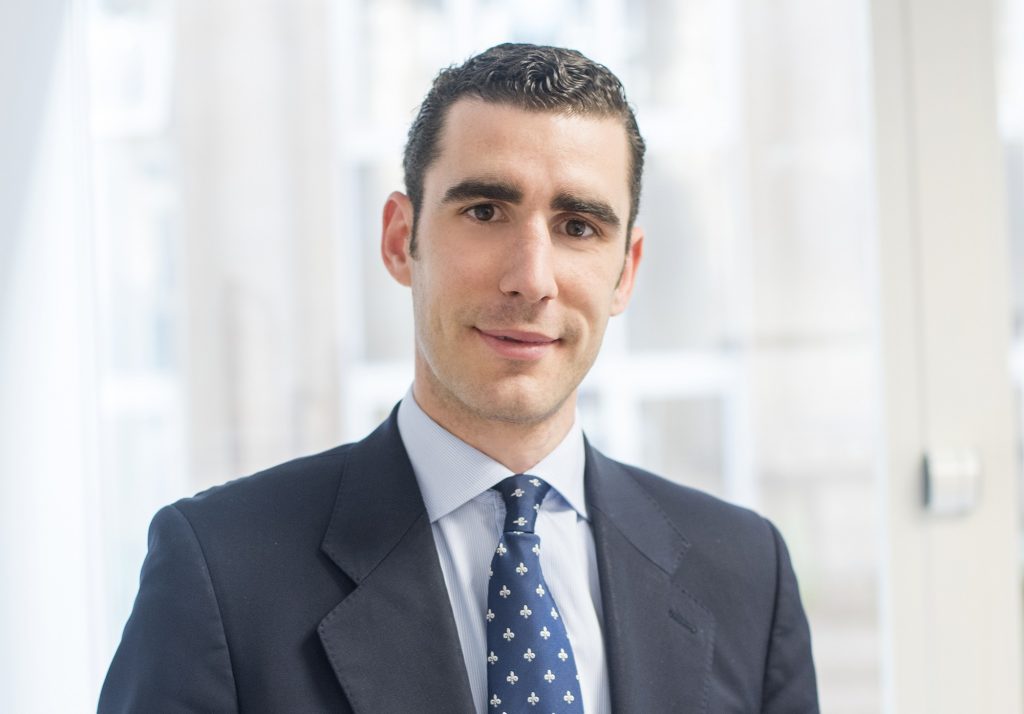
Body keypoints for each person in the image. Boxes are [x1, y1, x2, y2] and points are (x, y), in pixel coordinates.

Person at [99, 43, 818, 713]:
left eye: (578, 227)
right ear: (399, 240)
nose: (531, 279)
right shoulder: (221, 570)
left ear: (625, 272)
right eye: (485, 211)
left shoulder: (747, 575)